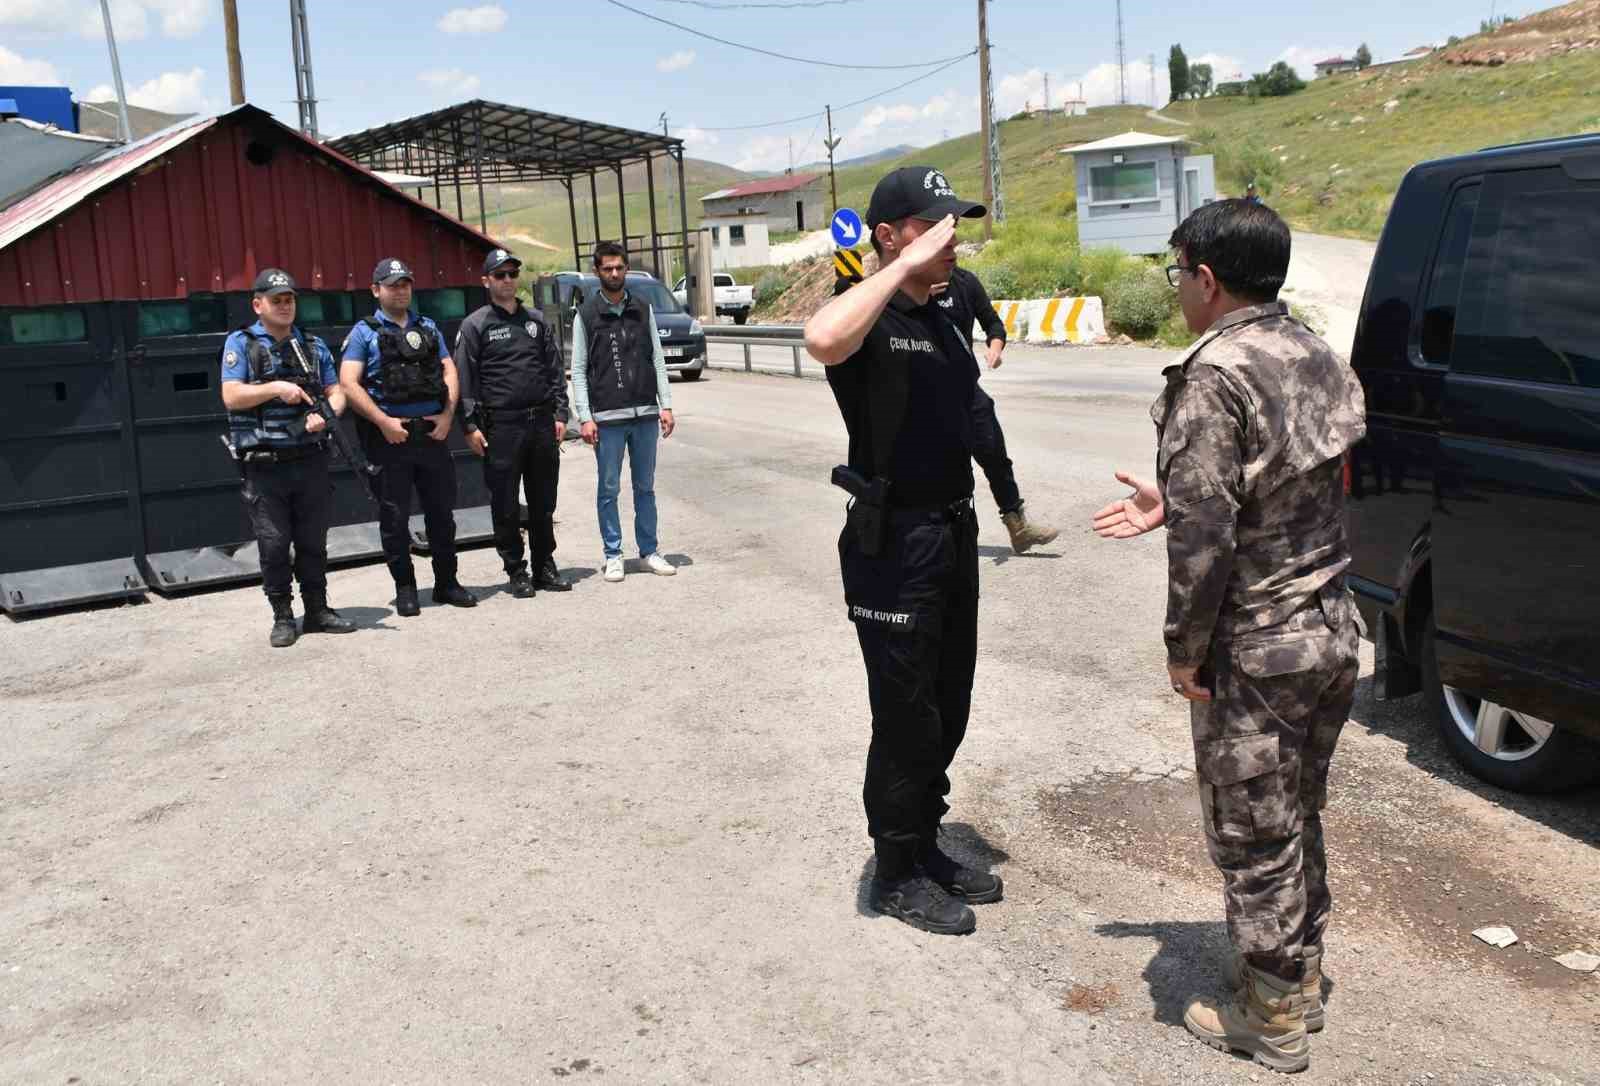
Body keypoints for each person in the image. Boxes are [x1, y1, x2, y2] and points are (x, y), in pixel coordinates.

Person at [1092, 199, 1365, 1073]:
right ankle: (1303, 975)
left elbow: (1203, 541)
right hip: (1331, 628)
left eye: (1178, 274)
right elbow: (1291, 486)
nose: (1177, 290)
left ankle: (1273, 1018)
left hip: (1261, 645)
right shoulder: (1314, 353)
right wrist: (1174, 496)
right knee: (1298, 812)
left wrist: (1184, 651)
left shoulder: (1214, 377)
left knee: (1251, 830)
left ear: (1207, 280)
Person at [805, 167, 1004, 937]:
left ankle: (923, 842)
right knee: (904, 712)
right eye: (934, 226)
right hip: (896, 542)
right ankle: (892, 872)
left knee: (948, 700)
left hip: (951, 533)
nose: (953, 239)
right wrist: (896, 270)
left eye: (956, 224)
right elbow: (821, 338)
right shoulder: (870, 321)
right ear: (890, 236)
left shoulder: (940, 317)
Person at [220, 268, 358, 647]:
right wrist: (275, 388)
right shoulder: (242, 343)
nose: (285, 305)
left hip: (309, 458)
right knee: (274, 543)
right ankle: (283, 615)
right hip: (265, 464)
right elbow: (231, 395)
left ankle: (317, 610)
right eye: (276, 299)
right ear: (257, 304)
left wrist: (325, 414)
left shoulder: (311, 345)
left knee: (314, 540)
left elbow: (338, 392)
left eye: (289, 299)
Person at [339, 258, 477, 616]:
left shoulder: (427, 327)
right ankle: (405, 588)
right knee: (395, 517)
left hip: (432, 435)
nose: (400, 290)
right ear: (376, 290)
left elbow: (449, 371)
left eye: (405, 284)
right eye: (392, 284)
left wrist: (447, 416)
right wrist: (383, 421)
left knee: (442, 514)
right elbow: (348, 384)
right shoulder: (364, 333)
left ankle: (447, 583)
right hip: (390, 440)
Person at [455, 248, 571, 598]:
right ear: (486, 280)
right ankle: (516, 570)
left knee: (543, 501)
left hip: (540, 425)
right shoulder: (475, 325)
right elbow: (465, 379)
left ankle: (544, 566)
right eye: (500, 275)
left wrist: (561, 414)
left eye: (512, 274)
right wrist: (470, 425)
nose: (507, 280)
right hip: (501, 428)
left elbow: (554, 371)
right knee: (505, 503)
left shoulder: (535, 321)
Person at [931, 265, 1059, 553]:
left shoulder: (965, 282)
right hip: (928, 394)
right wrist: (918, 298)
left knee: (996, 457)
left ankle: (1019, 527)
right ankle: (937, 532)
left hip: (966, 389)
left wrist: (995, 347)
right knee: (943, 467)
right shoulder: (907, 283)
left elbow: (993, 323)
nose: (951, 252)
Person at [570, 241, 677, 583]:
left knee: (645, 487)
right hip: (607, 419)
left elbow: (658, 360)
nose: (614, 273)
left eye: (619, 267)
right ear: (597, 272)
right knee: (609, 489)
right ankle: (613, 554)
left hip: (645, 413)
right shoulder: (585, 315)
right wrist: (585, 416)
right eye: (607, 269)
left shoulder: (643, 309)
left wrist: (667, 405)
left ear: (626, 268)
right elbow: (579, 368)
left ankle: (648, 552)